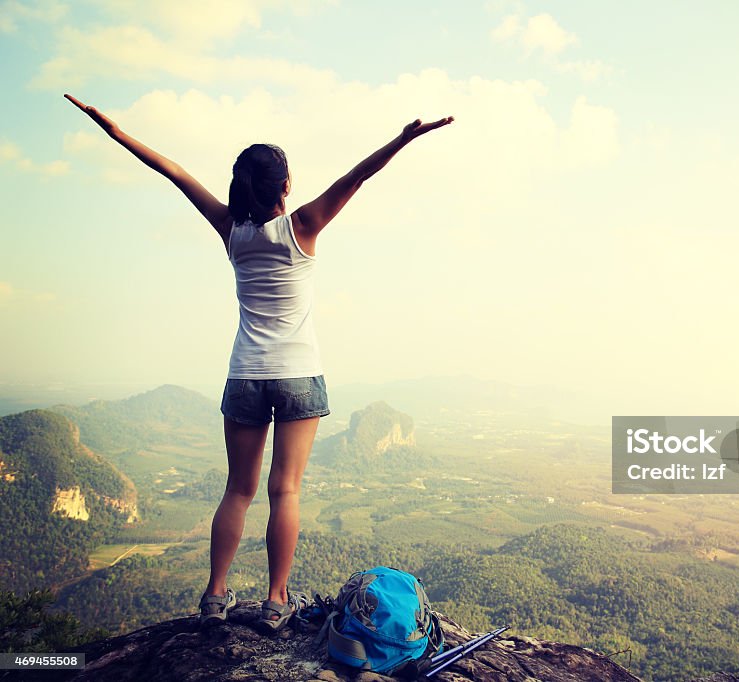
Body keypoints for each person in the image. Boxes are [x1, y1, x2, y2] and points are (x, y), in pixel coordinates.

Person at [65, 93, 453, 633]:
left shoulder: (232, 231)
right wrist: (405, 138)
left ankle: (215, 593)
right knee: (285, 490)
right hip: (298, 375)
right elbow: (357, 176)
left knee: (238, 490)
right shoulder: (304, 226)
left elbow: (172, 171)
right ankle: (275, 600)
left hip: (246, 374)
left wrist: (114, 130)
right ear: (285, 187)